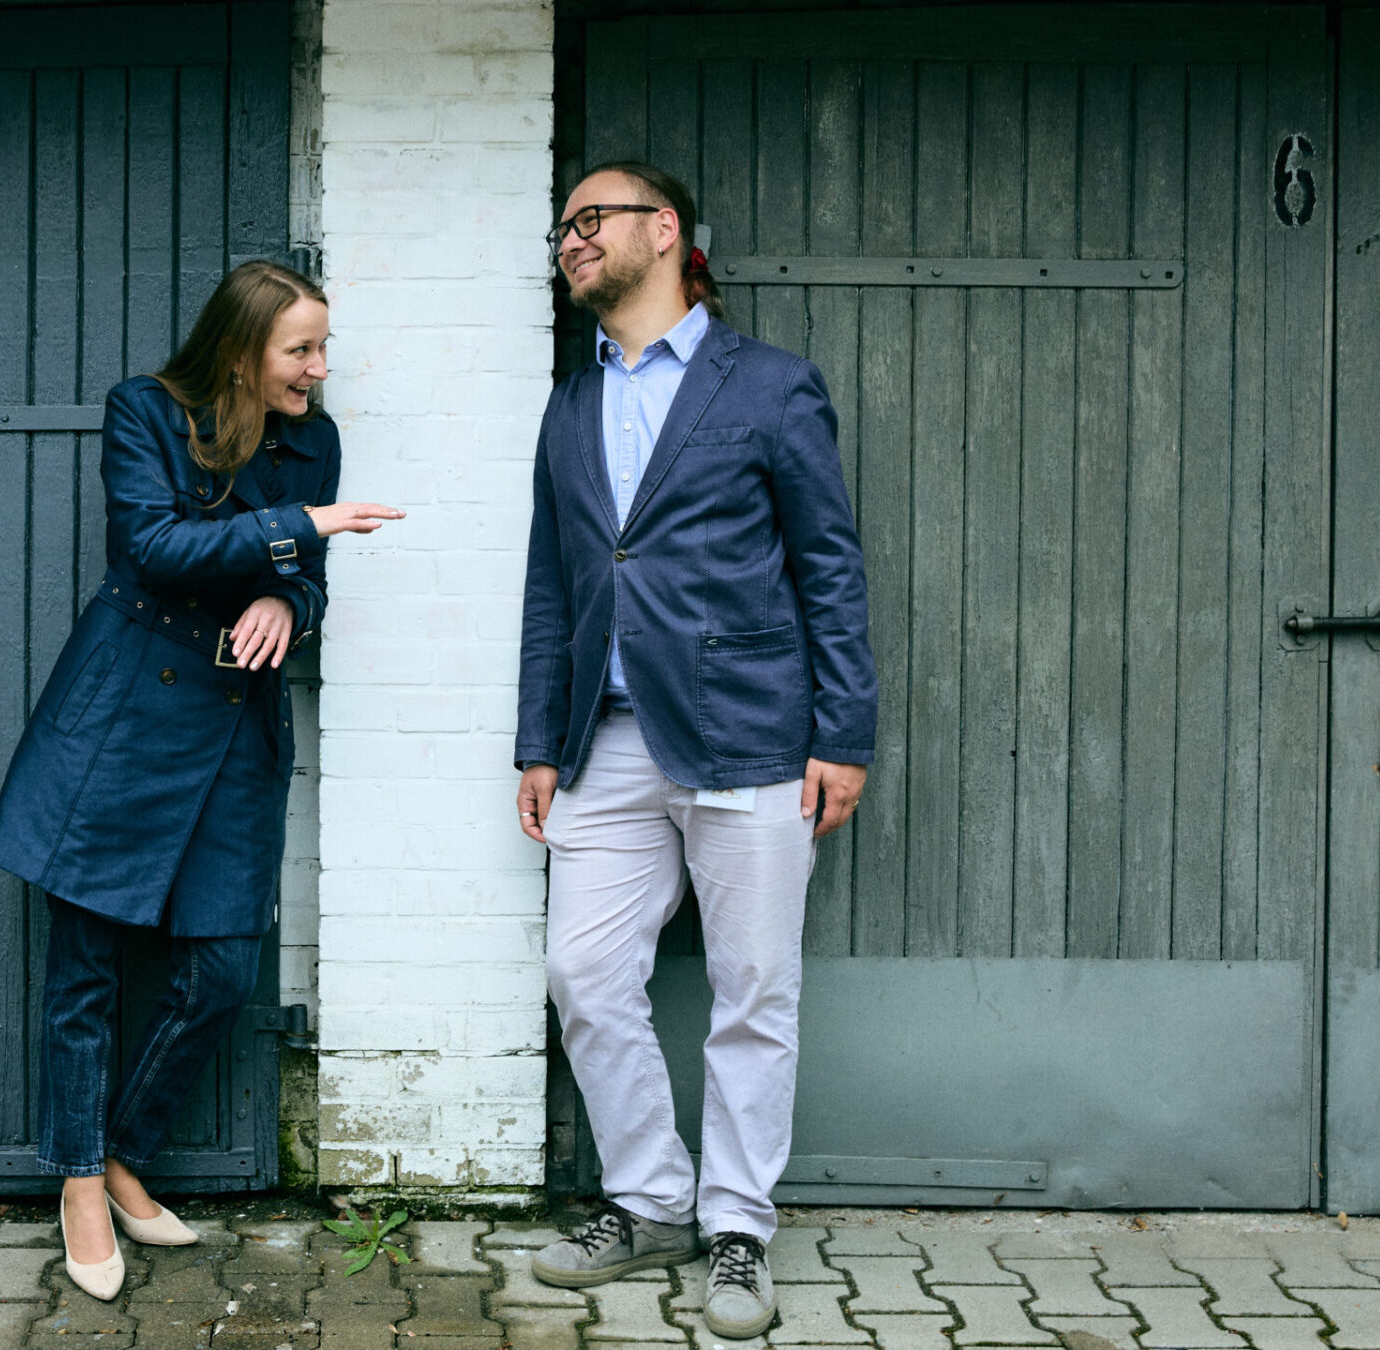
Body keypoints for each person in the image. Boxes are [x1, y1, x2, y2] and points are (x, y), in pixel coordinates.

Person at [0, 260, 401, 1301]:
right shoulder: (145, 412)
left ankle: (123, 1152)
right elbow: (156, 546)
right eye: (299, 349)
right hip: (126, 712)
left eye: (322, 348)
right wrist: (299, 531)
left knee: (220, 971)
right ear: (242, 352)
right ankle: (81, 1182)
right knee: (85, 971)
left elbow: (309, 583)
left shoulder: (314, 440)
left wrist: (286, 603)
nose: (318, 368)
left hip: (235, 721)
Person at [515, 162, 876, 1338]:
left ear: (662, 231)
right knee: (583, 976)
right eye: (564, 227)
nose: (572, 240)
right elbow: (554, 583)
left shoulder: (769, 385)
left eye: (592, 219)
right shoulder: (571, 403)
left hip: (750, 733)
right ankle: (650, 1199)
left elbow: (828, 565)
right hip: (607, 742)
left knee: (752, 992)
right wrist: (539, 740)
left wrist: (844, 732)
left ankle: (737, 1230)